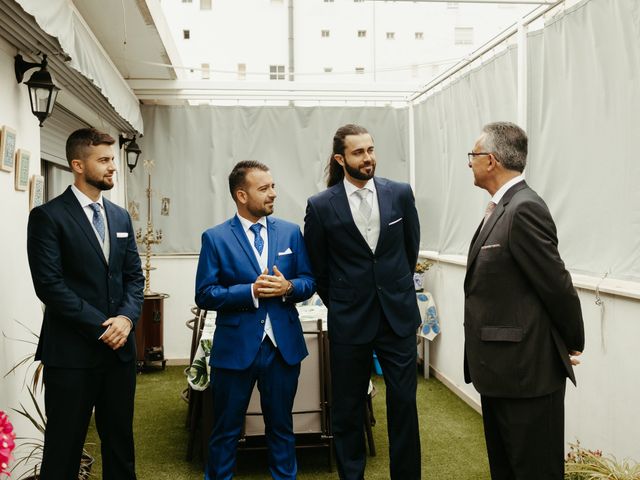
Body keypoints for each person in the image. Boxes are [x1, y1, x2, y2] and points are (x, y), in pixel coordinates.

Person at [464, 122, 585, 480]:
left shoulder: (524, 209)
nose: (469, 163)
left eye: (473, 155)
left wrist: (571, 341)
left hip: (526, 375)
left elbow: (557, 286)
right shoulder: (502, 208)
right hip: (499, 372)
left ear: (492, 160)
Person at [304, 124, 422, 480]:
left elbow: (409, 249)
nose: (368, 158)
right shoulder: (321, 205)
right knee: (348, 408)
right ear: (341, 159)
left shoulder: (399, 193)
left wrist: (394, 289)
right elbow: (319, 267)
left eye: (370, 149)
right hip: (350, 320)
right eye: (359, 152)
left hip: (397, 318)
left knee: (404, 404)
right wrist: (343, 302)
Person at [26, 128, 144, 479]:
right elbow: (49, 285)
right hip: (71, 356)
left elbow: (134, 278)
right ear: (78, 165)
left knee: (121, 446)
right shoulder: (48, 216)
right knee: (64, 450)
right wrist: (102, 327)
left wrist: (125, 319)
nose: (113, 167)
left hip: (119, 354)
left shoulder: (120, 217)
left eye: (113, 159)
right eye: (104, 160)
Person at [195, 160, 315, 480]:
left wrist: (288, 287)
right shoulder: (215, 238)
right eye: (264, 188)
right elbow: (205, 294)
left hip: (283, 349)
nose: (273, 193)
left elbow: (309, 281)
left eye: (273, 186)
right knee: (225, 431)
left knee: (281, 427)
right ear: (241, 195)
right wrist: (249, 292)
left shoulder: (290, 232)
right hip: (235, 349)